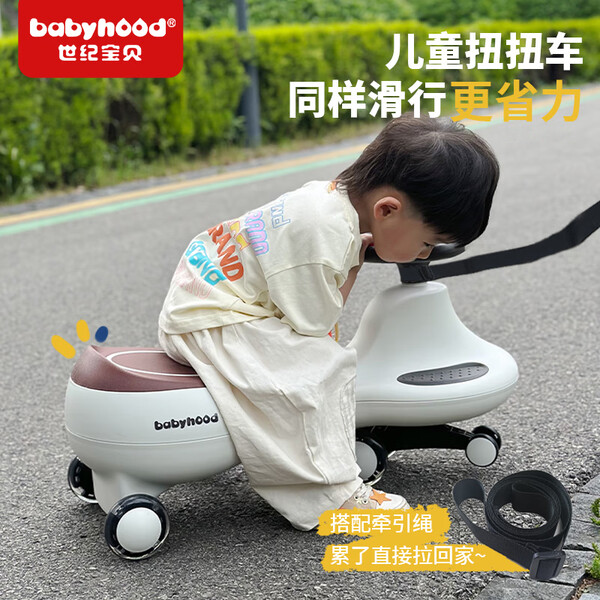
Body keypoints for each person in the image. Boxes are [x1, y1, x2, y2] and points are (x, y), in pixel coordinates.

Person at [158, 115, 500, 531]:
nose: (424, 254)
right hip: (217, 320)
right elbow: (314, 324)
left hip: (202, 296)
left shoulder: (325, 197)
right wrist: (354, 263)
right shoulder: (326, 238)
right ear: (387, 210)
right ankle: (333, 495)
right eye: (427, 242)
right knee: (325, 369)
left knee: (318, 363)